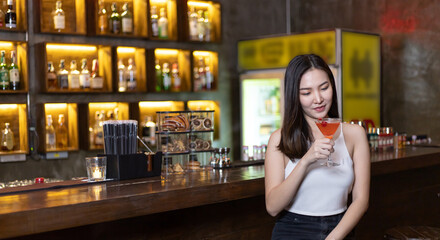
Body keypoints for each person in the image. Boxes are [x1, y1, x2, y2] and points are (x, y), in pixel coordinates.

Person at [265, 54, 370, 240]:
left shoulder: (355, 134)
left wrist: (333, 237)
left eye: (324, 88)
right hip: (293, 230)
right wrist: (306, 160)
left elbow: (361, 200)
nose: (318, 99)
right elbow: (272, 207)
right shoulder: (279, 139)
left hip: (340, 230)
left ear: (332, 85)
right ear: (294, 96)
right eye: (306, 93)